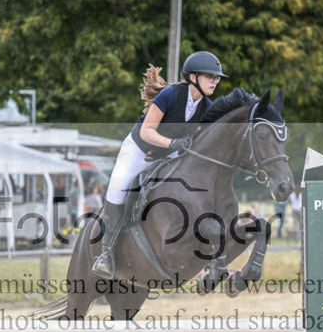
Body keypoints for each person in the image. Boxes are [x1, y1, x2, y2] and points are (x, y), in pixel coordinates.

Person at [92, 50, 226, 278]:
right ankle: (106, 254)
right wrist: (173, 143)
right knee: (118, 188)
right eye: (209, 76)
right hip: (140, 150)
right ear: (193, 77)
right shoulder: (170, 95)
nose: (215, 81)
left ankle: (206, 259)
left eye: (217, 77)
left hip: (170, 155)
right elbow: (147, 131)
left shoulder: (207, 108)